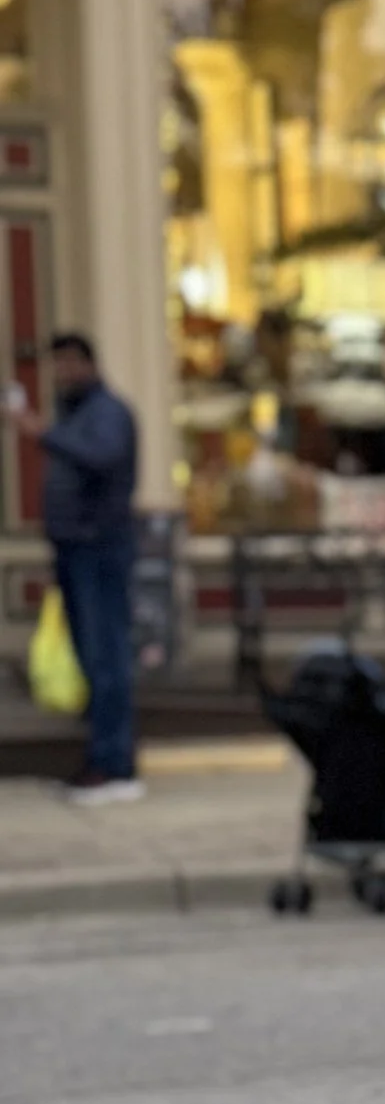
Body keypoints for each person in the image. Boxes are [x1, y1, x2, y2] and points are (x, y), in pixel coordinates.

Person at [12, 332, 141, 801]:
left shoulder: (106, 412)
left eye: (69, 363)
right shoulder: (78, 413)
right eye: (56, 365)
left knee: (107, 656)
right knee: (92, 655)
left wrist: (40, 432)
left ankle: (116, 764)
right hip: (76, 546)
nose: (62, 373)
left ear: (88, 363)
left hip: (100, 547)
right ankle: (102, 758)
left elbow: (102, 457)